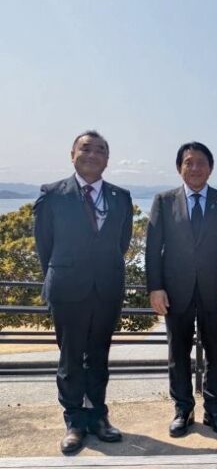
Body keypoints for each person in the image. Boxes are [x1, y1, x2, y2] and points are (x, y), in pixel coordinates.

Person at [33, 130, 133, 454]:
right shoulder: (53, 194)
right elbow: (44, 245)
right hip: (67, 288)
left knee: (99, 356)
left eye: (100, 150)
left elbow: (121, 243)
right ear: (72, 154)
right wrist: (61, 274)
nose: (92, 155)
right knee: (71, 357)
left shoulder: (121, 197)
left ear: (108, 158)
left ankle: (98, 416)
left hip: (107, 288)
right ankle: (75, 421)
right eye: (86, 149)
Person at [145, 141, 217, 437]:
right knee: (178, 353)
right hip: (175, 291)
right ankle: (183, 410)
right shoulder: (164, 201)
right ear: (179, 168)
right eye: (189, 162)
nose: (195, 168)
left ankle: (215, 411)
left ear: (210, 168)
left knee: (216, 353)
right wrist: (155, 288)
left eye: (201, 163)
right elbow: (152, 248)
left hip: (216, 290)